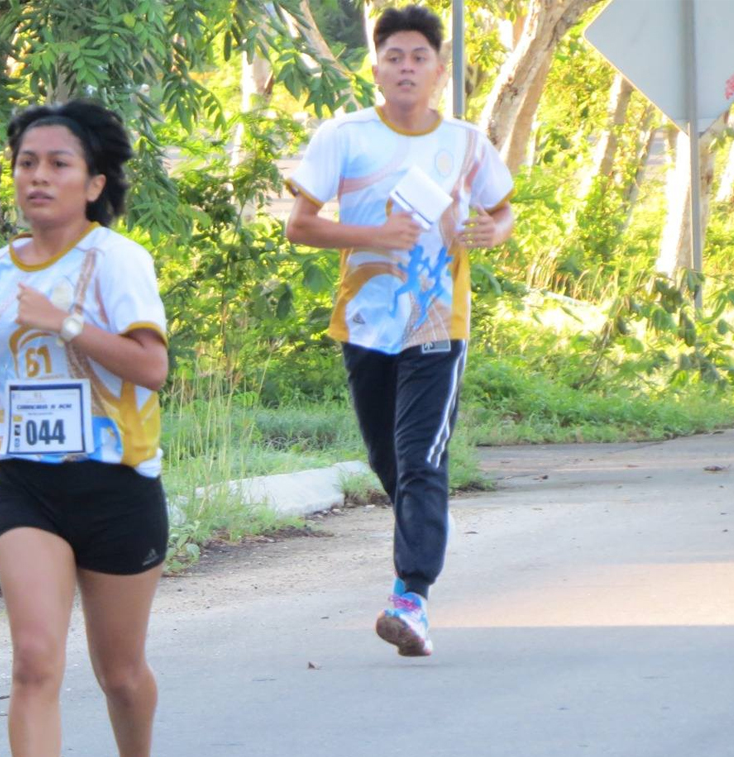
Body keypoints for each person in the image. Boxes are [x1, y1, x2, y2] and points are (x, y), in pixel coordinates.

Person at [284, 4, 515, 657]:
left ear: (439, 71)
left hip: (439, 322)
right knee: (389, 460)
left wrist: (492, 230)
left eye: (419, 58)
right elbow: (299, 225)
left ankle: (410, 595)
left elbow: (502, 213)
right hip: (366, 322)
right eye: (395, 57)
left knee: (420, 457)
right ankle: (422, 530)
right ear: (376, 68)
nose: (407, 67)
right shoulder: (344, 136)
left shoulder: (466, 142)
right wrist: (371, 235)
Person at [0, 100, 169, 756]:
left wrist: (65, 322)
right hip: (25, 483)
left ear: (94, 184)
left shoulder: (117, 260)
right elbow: (3, 340)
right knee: (34, 662)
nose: (37, 176)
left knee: (120, 674)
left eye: (58, 164)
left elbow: (152, 367)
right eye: (26, 163)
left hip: (116, 483)